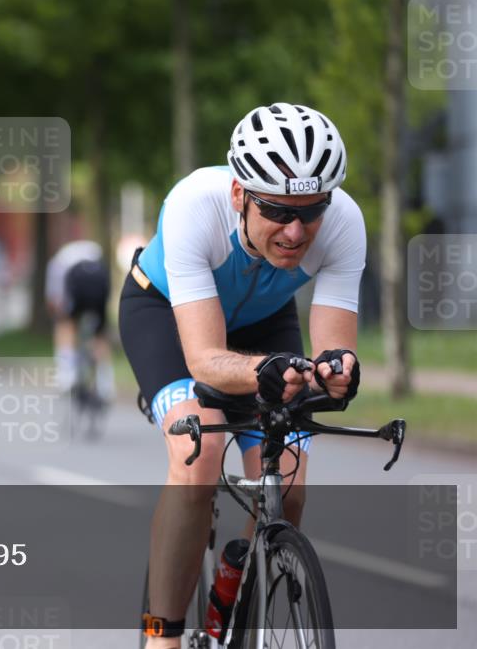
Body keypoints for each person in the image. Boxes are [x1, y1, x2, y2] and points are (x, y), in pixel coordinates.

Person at [118, 103, 364, 646]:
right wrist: (266, 372)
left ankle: (235, 584)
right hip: (165, 312)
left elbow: (332, 349)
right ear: (239, 196)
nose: (296, 230)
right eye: (277, 211)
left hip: (263, 321)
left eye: (311, 209)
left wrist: (336, 370)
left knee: (291, 482)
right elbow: (205, 358)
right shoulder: (192, 206)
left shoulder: (344, 221)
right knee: (198, 455)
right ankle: (163, 635)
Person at [45, 239, 114, 401]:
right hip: (99, 278)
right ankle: (105, 381)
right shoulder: (93, 250)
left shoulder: (57, 262)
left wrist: (59, 314)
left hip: (76, 281)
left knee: (65, 324)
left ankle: (67, 373)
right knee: (100, 333)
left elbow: (54, 299)